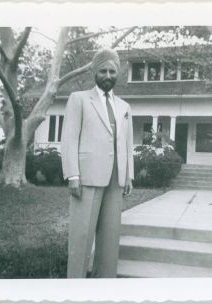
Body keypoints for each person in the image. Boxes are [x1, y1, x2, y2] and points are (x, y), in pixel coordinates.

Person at [61, 48, 134, 278]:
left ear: (118, 74)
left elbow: (127, 142)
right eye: (103, 70)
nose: (108, 75)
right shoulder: (79, 99)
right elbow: (69, 139)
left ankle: (104, 287)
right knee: (82, 236)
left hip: (116, 178)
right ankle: (75, 287)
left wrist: (129, 175)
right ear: (95, 72)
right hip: (87, 177)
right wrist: (72, 175)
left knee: (110, 239)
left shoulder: (124, 107)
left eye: (112, 71)